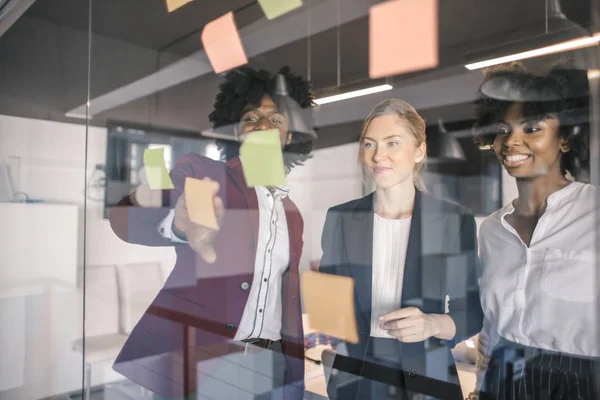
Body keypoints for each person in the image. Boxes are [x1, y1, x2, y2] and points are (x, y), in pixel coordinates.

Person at [108, 66, 315, 400]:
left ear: (289, 138)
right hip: (204, 361)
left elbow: (288, 302)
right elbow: (127, 218)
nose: (262, 126)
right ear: (236, 132)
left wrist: (295, 377)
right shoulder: (204, 173)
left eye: (275, 120)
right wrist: (177, 224)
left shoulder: (293, 215)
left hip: (271, 364)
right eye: (251, 119)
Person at [319, 99, 483, 399]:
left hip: (427, 377)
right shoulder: (340, 219)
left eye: (392, 143)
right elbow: (329, 304)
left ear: (419, 151)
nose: (378, 155)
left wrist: (431, 323)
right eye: (369, 144)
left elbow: (471, 312)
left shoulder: (453, 221)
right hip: (356, 378)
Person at [471, 63, 598, 399]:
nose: (511, 141)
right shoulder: (492, 230)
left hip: (582, 382)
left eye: (531, 128)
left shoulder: (595, 213)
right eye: (502, 129)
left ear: (566, 139)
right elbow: (490, 325)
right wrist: (479, 384)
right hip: (503, 376)